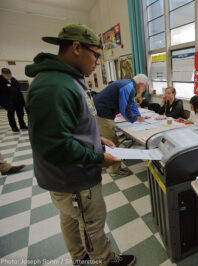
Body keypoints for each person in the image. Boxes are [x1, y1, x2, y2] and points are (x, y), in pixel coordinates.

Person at [25, 23, 136, 266]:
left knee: (72, 219)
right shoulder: (54, 87)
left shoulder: (67, 79)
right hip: (74, 178)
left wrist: (97, 140)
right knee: (92, 222)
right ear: (77, 47)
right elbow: (56, 146)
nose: (98, 61)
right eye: (96, 55)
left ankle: (81, 257)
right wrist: (99, 158)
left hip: (70, 176)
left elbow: (71, 126)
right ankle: (103, 261)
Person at [94, 74, 149, 177]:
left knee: (107, 139)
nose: (144, 90)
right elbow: (124, 109)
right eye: (145, 87)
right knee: (111, 141)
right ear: (141, 84)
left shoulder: (129, 85)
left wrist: (138, 116)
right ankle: (114, 170)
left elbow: (131, 103)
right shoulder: (128, 87)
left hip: (102, 111)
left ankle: (105, 163)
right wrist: (134, 119)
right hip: (102, 113)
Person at [0, 68, 28, 132]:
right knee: (11, 115)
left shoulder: (13, 79)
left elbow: (19, 90)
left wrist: (22, 101)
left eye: (9, 74)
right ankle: (14, 127)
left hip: (18, 100)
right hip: (9, 101)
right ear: (2, 74)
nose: (8, 75)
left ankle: (22, 125)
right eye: (6, 74)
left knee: (21, 113)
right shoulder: (1, 81)